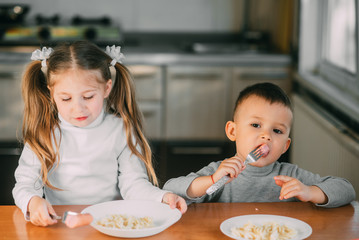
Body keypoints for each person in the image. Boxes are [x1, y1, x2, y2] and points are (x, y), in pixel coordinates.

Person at [12, 41, 187, 227]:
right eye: (66, 98)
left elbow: (134, 184)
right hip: (61, 224)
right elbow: (25, 184)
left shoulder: (121, 130)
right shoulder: (44, 134)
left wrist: (161, 197)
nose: (78, 108)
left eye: (88, 97)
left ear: (106, 88)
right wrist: (32, 201)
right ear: (52, 93)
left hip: (110, 224)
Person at [163, 82, 356, 207]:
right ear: (232, 131)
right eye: (256, 125)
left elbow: (346, 189)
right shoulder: (220, 172)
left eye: (277, 131)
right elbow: (170, 189)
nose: (266, 136)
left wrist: (310, 192)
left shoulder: (291, 176)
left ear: (285, 146)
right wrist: (211, 180)